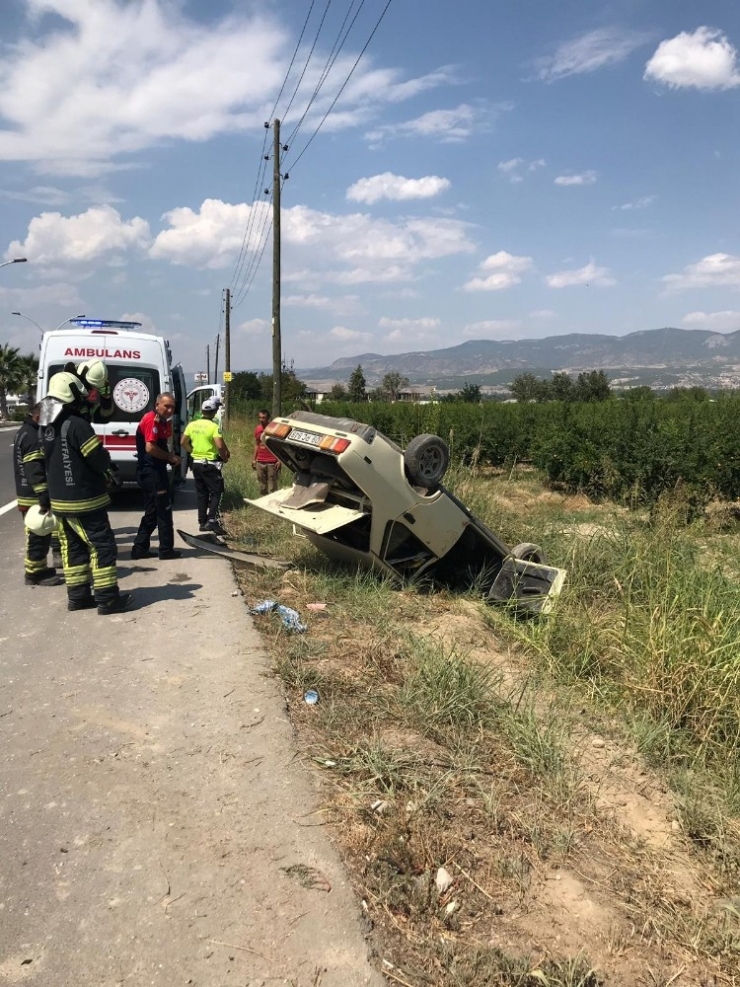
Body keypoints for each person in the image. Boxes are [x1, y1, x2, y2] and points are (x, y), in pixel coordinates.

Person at [39, 372, 132, 614]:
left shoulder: (45, 425)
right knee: (102, 546)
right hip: (84, 500)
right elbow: (96, 457)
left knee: (73, 549)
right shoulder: (77, 424)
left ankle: (78, 597)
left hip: (60, 501)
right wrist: (111, 471)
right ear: (71, 394)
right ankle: (107, 599)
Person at [13, 402, 63, 586]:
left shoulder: (24, 432)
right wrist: (43, 495)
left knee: (40, 534)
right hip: (33, 495)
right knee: (37, 535)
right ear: (37, 417)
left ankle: (39, 567)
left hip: (27, 492)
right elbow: (34, 468)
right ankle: (34, 572)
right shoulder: (32, 436)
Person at [131, 392, 182, 560]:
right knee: (163, 510)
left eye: (172, 407)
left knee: (152, 511)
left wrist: (171, 456)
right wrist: (169, 457)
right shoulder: (151, 419)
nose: (169, 409)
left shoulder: (163, 422)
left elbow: (163, 444)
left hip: (155, 470)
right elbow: (150, 448)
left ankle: (139, 548)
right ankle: (166, 549)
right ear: (157, 405)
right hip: (151, 472)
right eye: (166, 406)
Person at [181, 397, 230, 535]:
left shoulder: (192, 425)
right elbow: (219, 445)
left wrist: (193, 452)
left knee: (202, 493)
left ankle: (202, 522)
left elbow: (183, 442)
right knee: (216, 491)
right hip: (210, 464)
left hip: (196, 463)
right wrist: (224, 456)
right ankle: (212, 520)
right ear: (214, 412)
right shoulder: (214, 427)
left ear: (202, 411)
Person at [63, 359, 114, 423]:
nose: (93, 390)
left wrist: (105, 399)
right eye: (91, 385)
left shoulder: (91, 405)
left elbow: (104, 417)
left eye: (95, 387)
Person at [252, 409, 281, 495]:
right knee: (262, 487)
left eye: (264, 418)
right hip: (260, 461)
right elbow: (257, 444)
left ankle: (273, 504)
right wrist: (254, 459)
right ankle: (263, 504)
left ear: (268, 418)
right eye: (260, 417)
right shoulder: (258, 429)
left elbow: (279, 446)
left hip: (272, 462)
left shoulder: (274, 429)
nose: (261, 419)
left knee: (272, 487)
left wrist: (279, 460)